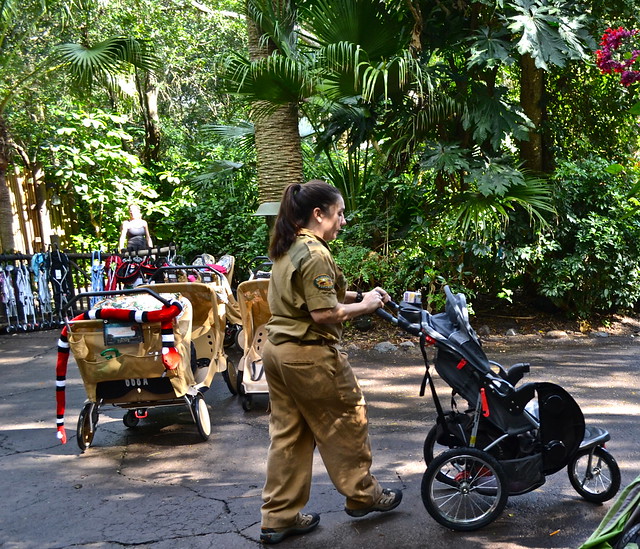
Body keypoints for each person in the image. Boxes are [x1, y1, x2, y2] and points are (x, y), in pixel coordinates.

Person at [259, 179, 402, 545]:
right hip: (308, 355)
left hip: (278, 351)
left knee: (289, 434)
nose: (342, 221)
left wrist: (361, 294)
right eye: (339, 214)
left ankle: (279, 517)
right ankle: (363, 495)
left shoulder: (288, 245)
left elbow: (309, 295)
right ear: (318, 214)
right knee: (348, 419)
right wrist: (366, 306)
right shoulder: (316, 253)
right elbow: (324, 312)